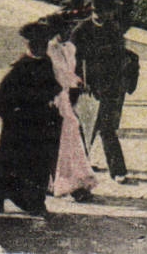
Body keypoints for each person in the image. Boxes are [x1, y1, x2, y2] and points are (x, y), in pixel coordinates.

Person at [0, 20, 64, 217]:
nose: (40, 49)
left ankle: (36, 202)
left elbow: (53, 86)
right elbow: (1, 95)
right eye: (36, 45)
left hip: (40, 121)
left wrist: (50, 101)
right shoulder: (20, 68)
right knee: (11, 161)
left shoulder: (45, 62)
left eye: (44, 45)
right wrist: (11, 116)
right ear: (29, 46)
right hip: (19, 124)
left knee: (38, 163)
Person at [71, 0, 133, 183]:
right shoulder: (81, 30)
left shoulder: (113, 29)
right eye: (98, 12)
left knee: (107, 128)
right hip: (87, 87)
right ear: (92, 11)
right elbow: (74, 59)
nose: (102, 15)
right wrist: (80, 80)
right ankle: (80, 166)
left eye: (106, 12)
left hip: (109, 86)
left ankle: (118, 171)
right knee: (84, 128)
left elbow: (120, 57)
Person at [46, 14, 97, 201]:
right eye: (64, 29)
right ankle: (57, 183)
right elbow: (57, 75)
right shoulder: (49, 50)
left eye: (69, 29)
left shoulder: (70, 48)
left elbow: (70, 73)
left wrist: (79, 81)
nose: (68, 33)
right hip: (52, 99)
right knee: (58, 141)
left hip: (65, 99)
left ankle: (76, 184)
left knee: (71, 139)